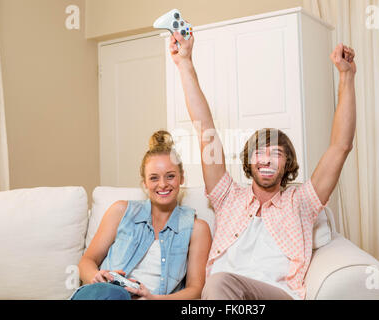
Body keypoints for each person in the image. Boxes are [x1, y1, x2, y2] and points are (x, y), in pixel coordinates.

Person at [169, 31, 356, 300]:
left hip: (275, 295)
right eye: (260, 152)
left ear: (287, 163)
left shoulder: (301, 202)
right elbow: (205, 128)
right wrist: (184, 62)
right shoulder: (227, 197)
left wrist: (346, 77)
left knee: (220, 282)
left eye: (276, 153)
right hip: (222, 296)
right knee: (214, 288)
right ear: (249, 160)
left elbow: (341, 146)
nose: (266, 159)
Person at [71, 130, 212, 300]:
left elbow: (196, 289)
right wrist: (96, 277)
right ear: (144, 183)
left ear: (181, 178)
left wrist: (154, 299)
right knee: (114, 293)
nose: (162, 184)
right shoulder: (120, 211)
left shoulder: (197, 228)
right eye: (154, 178)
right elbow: (86, 261)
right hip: (105, 294)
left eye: (170, 176)